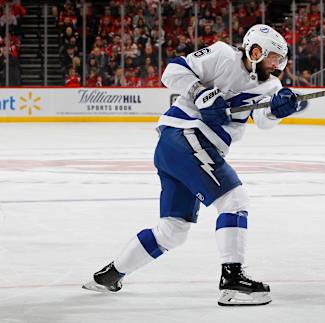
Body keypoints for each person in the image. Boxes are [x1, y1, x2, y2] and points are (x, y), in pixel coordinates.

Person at [82, 24, 300, 306]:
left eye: (280, 60)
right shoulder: (223, 55)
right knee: (234, 199)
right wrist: (200, 92)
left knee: (173, 231)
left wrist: (278, 110)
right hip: (185, 135)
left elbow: (263, 121)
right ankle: (232, 281)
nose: (277, 65)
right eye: (273, 57)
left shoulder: (271, 86)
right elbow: (171, 72)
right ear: (255, 51)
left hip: (180, 150)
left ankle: (110, 275)